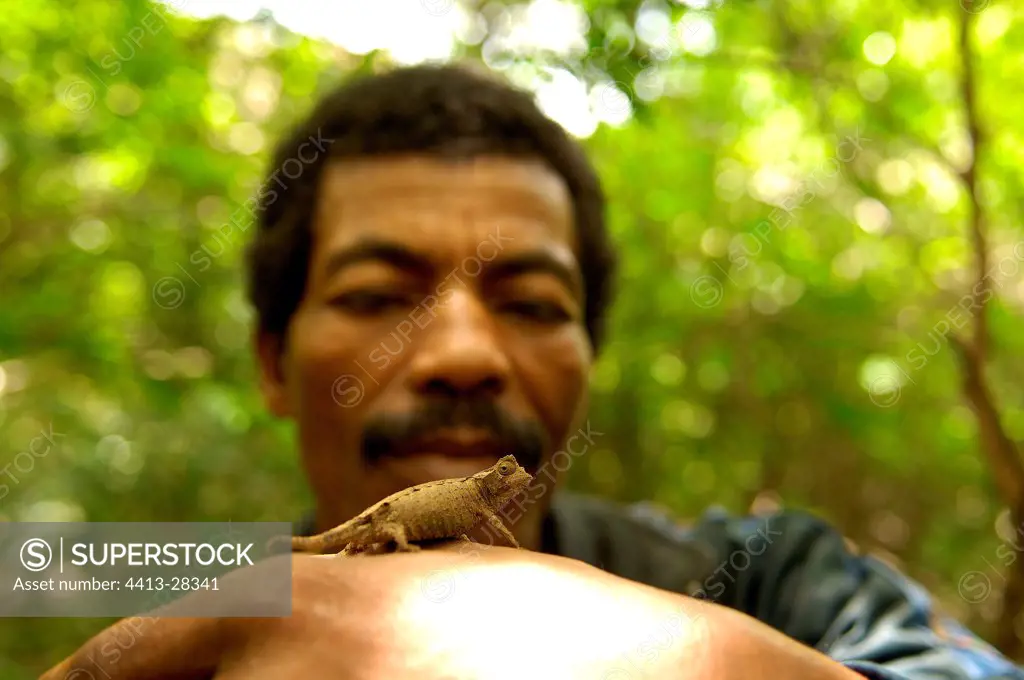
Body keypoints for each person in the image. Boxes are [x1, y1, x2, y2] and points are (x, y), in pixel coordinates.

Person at [42, 63, 1024, 680]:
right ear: (271, 360)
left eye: (532, 303)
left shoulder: (773, 580)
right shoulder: (180, 587)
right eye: (379, 295)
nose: (463, 353)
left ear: (591, 352)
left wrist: (713, 660)